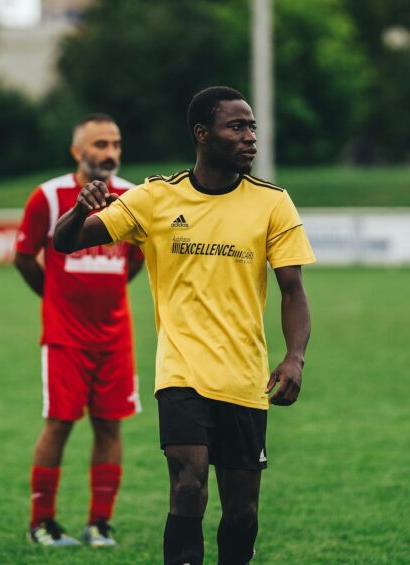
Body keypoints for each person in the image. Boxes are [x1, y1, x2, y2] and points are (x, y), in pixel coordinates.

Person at [52, 87, 315, 564]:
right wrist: (79, 210)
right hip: (181, 372)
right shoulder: (154, 198)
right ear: (203, 134)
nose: (250, 137)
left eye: (251, 127)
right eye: (237, 127)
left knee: (241, 510)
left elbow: (293, 290)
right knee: (188, 483)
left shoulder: (273, 204)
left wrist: (294, 356)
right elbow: (66, 243)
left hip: (243, 377)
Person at [14, 114, 145, 547]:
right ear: (77, 151)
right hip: (65, 337)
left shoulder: (130, 197)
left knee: (110, 426)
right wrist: (54, 299)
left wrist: (108, 295)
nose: (110, 153)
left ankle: (99, 524)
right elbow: (23, 255)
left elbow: (138, 258)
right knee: (59, 425)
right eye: (100, 144)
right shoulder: (48, 197)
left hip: (115, 336)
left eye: (116, 144)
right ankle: (42, 524)